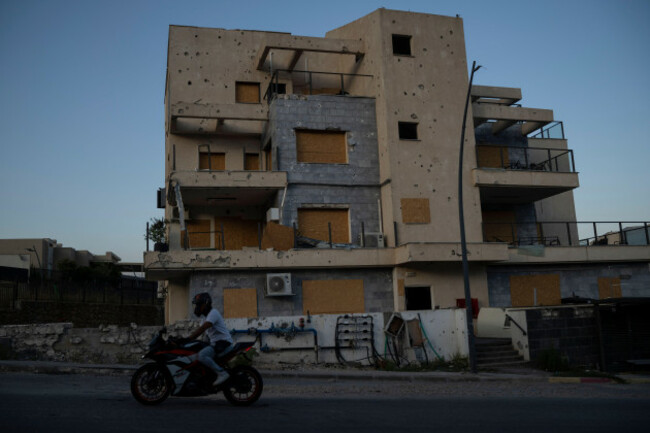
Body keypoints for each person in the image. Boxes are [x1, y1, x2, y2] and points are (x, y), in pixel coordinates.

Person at [187, 292, 233, 386]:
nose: (197, 307)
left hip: (223, 344)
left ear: (206, 304)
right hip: (216, 344)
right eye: (196, 305)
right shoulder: (205, 319)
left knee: (202, 356)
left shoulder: (213, 313)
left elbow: (202, 328)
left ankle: (222, 373)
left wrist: (188, 339)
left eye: (199, 305)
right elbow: (206, 336)